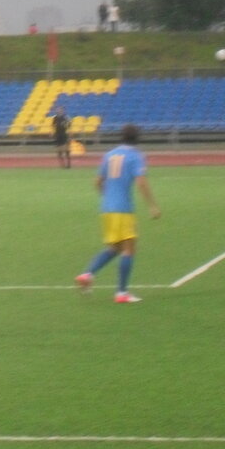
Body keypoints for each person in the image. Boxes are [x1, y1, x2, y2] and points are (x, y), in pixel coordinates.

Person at [75, 124, 161, 304]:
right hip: (123, 209)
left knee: (114, 248)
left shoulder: (109, 155)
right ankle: (121, 293)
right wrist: (152, 205)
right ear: (137, 139)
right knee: (129, 249)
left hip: (107, 209)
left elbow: (97, 182)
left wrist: (108, 198)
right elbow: (141, 182)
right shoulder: (136, 156)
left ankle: (87, 274)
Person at [51, 105, 72, 169]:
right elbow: (53, 126)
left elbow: (69, 126)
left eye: (60, 109)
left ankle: (68, 164)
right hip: (57, 135)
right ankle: (62, 165)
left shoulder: (66, 117)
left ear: (63, 110)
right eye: (57, 109)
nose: (58, 110)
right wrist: (52, 132)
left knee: (66, 150)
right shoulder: (55, 118)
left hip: (64, 134)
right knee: (59, 151)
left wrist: (70, 133)